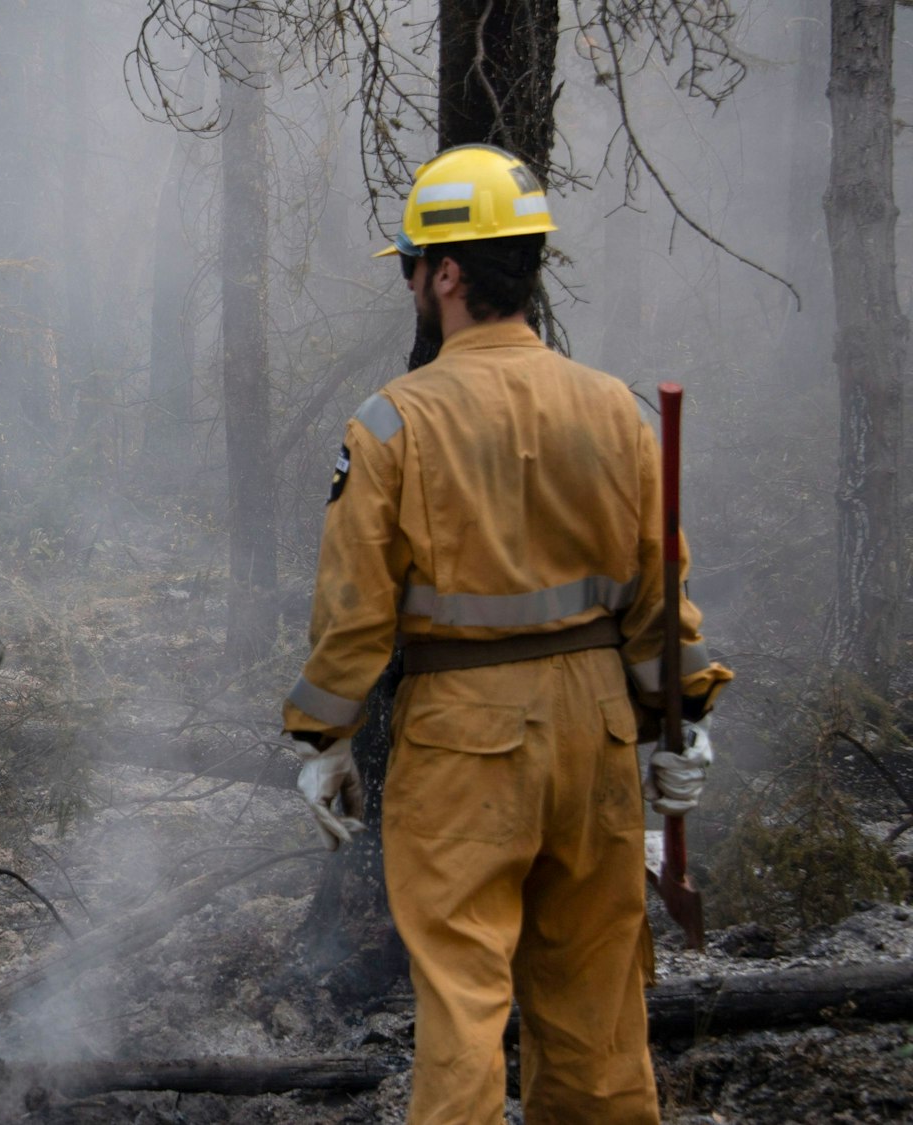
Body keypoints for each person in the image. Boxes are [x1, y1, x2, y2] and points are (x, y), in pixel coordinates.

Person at [282, 144, 732, 1124]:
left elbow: (352, 609)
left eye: (411, 262)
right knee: (596, 1021)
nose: (409, 279)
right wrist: (681, 718)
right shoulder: (614, 412)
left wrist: (322, 742)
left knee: (462, 1012)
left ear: (444, 271)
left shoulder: (392, 424)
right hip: (596, 740)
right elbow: (662, 591)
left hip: (462, 745)